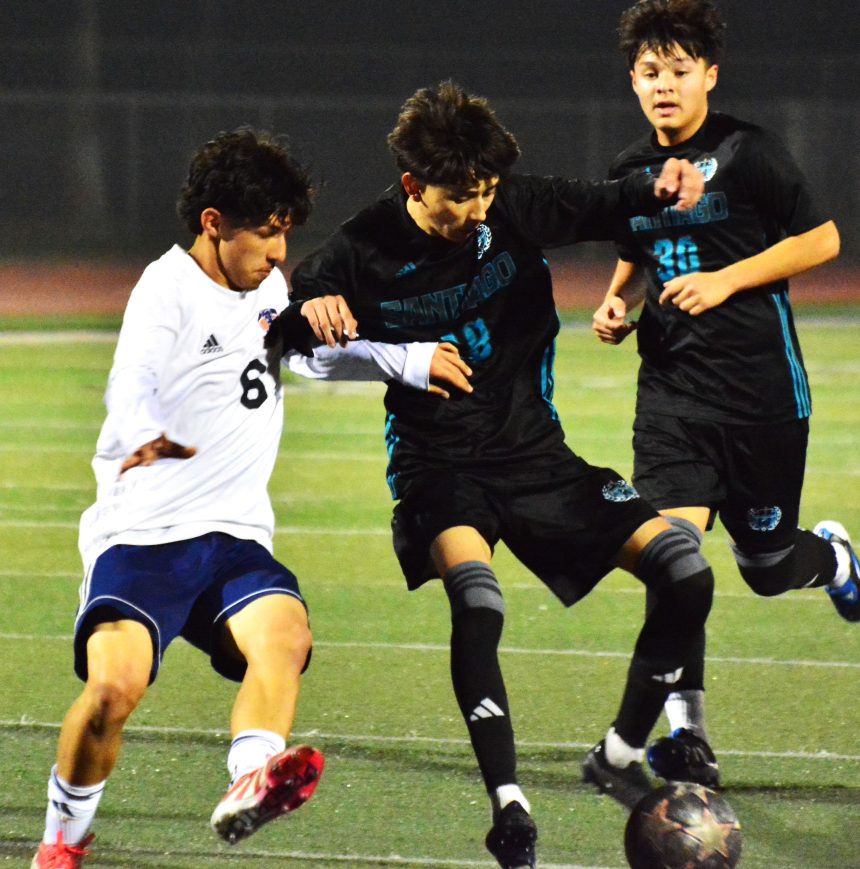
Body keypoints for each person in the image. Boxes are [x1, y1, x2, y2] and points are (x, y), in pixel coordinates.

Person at [270, 80, 714, 869]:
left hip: (539, 456)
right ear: (412, 185)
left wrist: (660, 183)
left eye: (485, 193)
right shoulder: (360, 248)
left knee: (685, 573)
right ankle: (510, 809)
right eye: (459, 197)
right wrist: (315, 313)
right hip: (439, 469)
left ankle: (617, 750)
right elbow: (290, 331)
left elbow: (602, 202)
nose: (478, 210)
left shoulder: (512, 206)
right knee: (479, 606)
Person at [31, 127, 472, 869]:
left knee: (285, 637)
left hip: (234, 538)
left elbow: (307, 358)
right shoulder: (164, 290)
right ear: (213, 224)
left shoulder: (268, 285)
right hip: (142, 538)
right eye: (265, 235)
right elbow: (130, 379)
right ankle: (62, 842)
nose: (277, 254)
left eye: (284, 236)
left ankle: (249, 781)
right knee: (113, 690)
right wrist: (138, 427)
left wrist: (408, 360)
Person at [591, 0, 856, 789]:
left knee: (768, 566)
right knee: (675, 559)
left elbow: (824, 239)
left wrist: (726, 280)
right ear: (632, 81)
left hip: (763, 396)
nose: (663, 85)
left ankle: (837, 559)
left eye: (679, 70)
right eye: (649, 73)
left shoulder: (750, 153)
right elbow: (637, 249)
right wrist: (616, 302)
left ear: (709, 74)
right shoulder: (628, 170)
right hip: (673, 395)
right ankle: (689, 735)